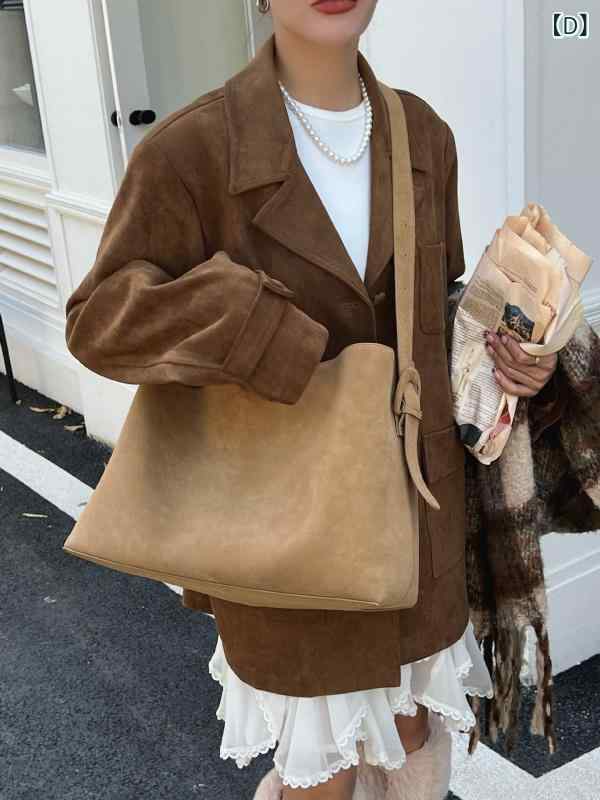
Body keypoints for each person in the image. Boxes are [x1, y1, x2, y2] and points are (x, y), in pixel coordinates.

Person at [64, 1, 558, 798]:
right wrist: (254, 329)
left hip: (417, 516)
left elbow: (434, 311)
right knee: (320, 774)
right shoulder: (192, 150)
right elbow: (99, 320)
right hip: (284, 525)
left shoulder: (423, 135)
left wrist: (508, 359)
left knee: (412, 737)